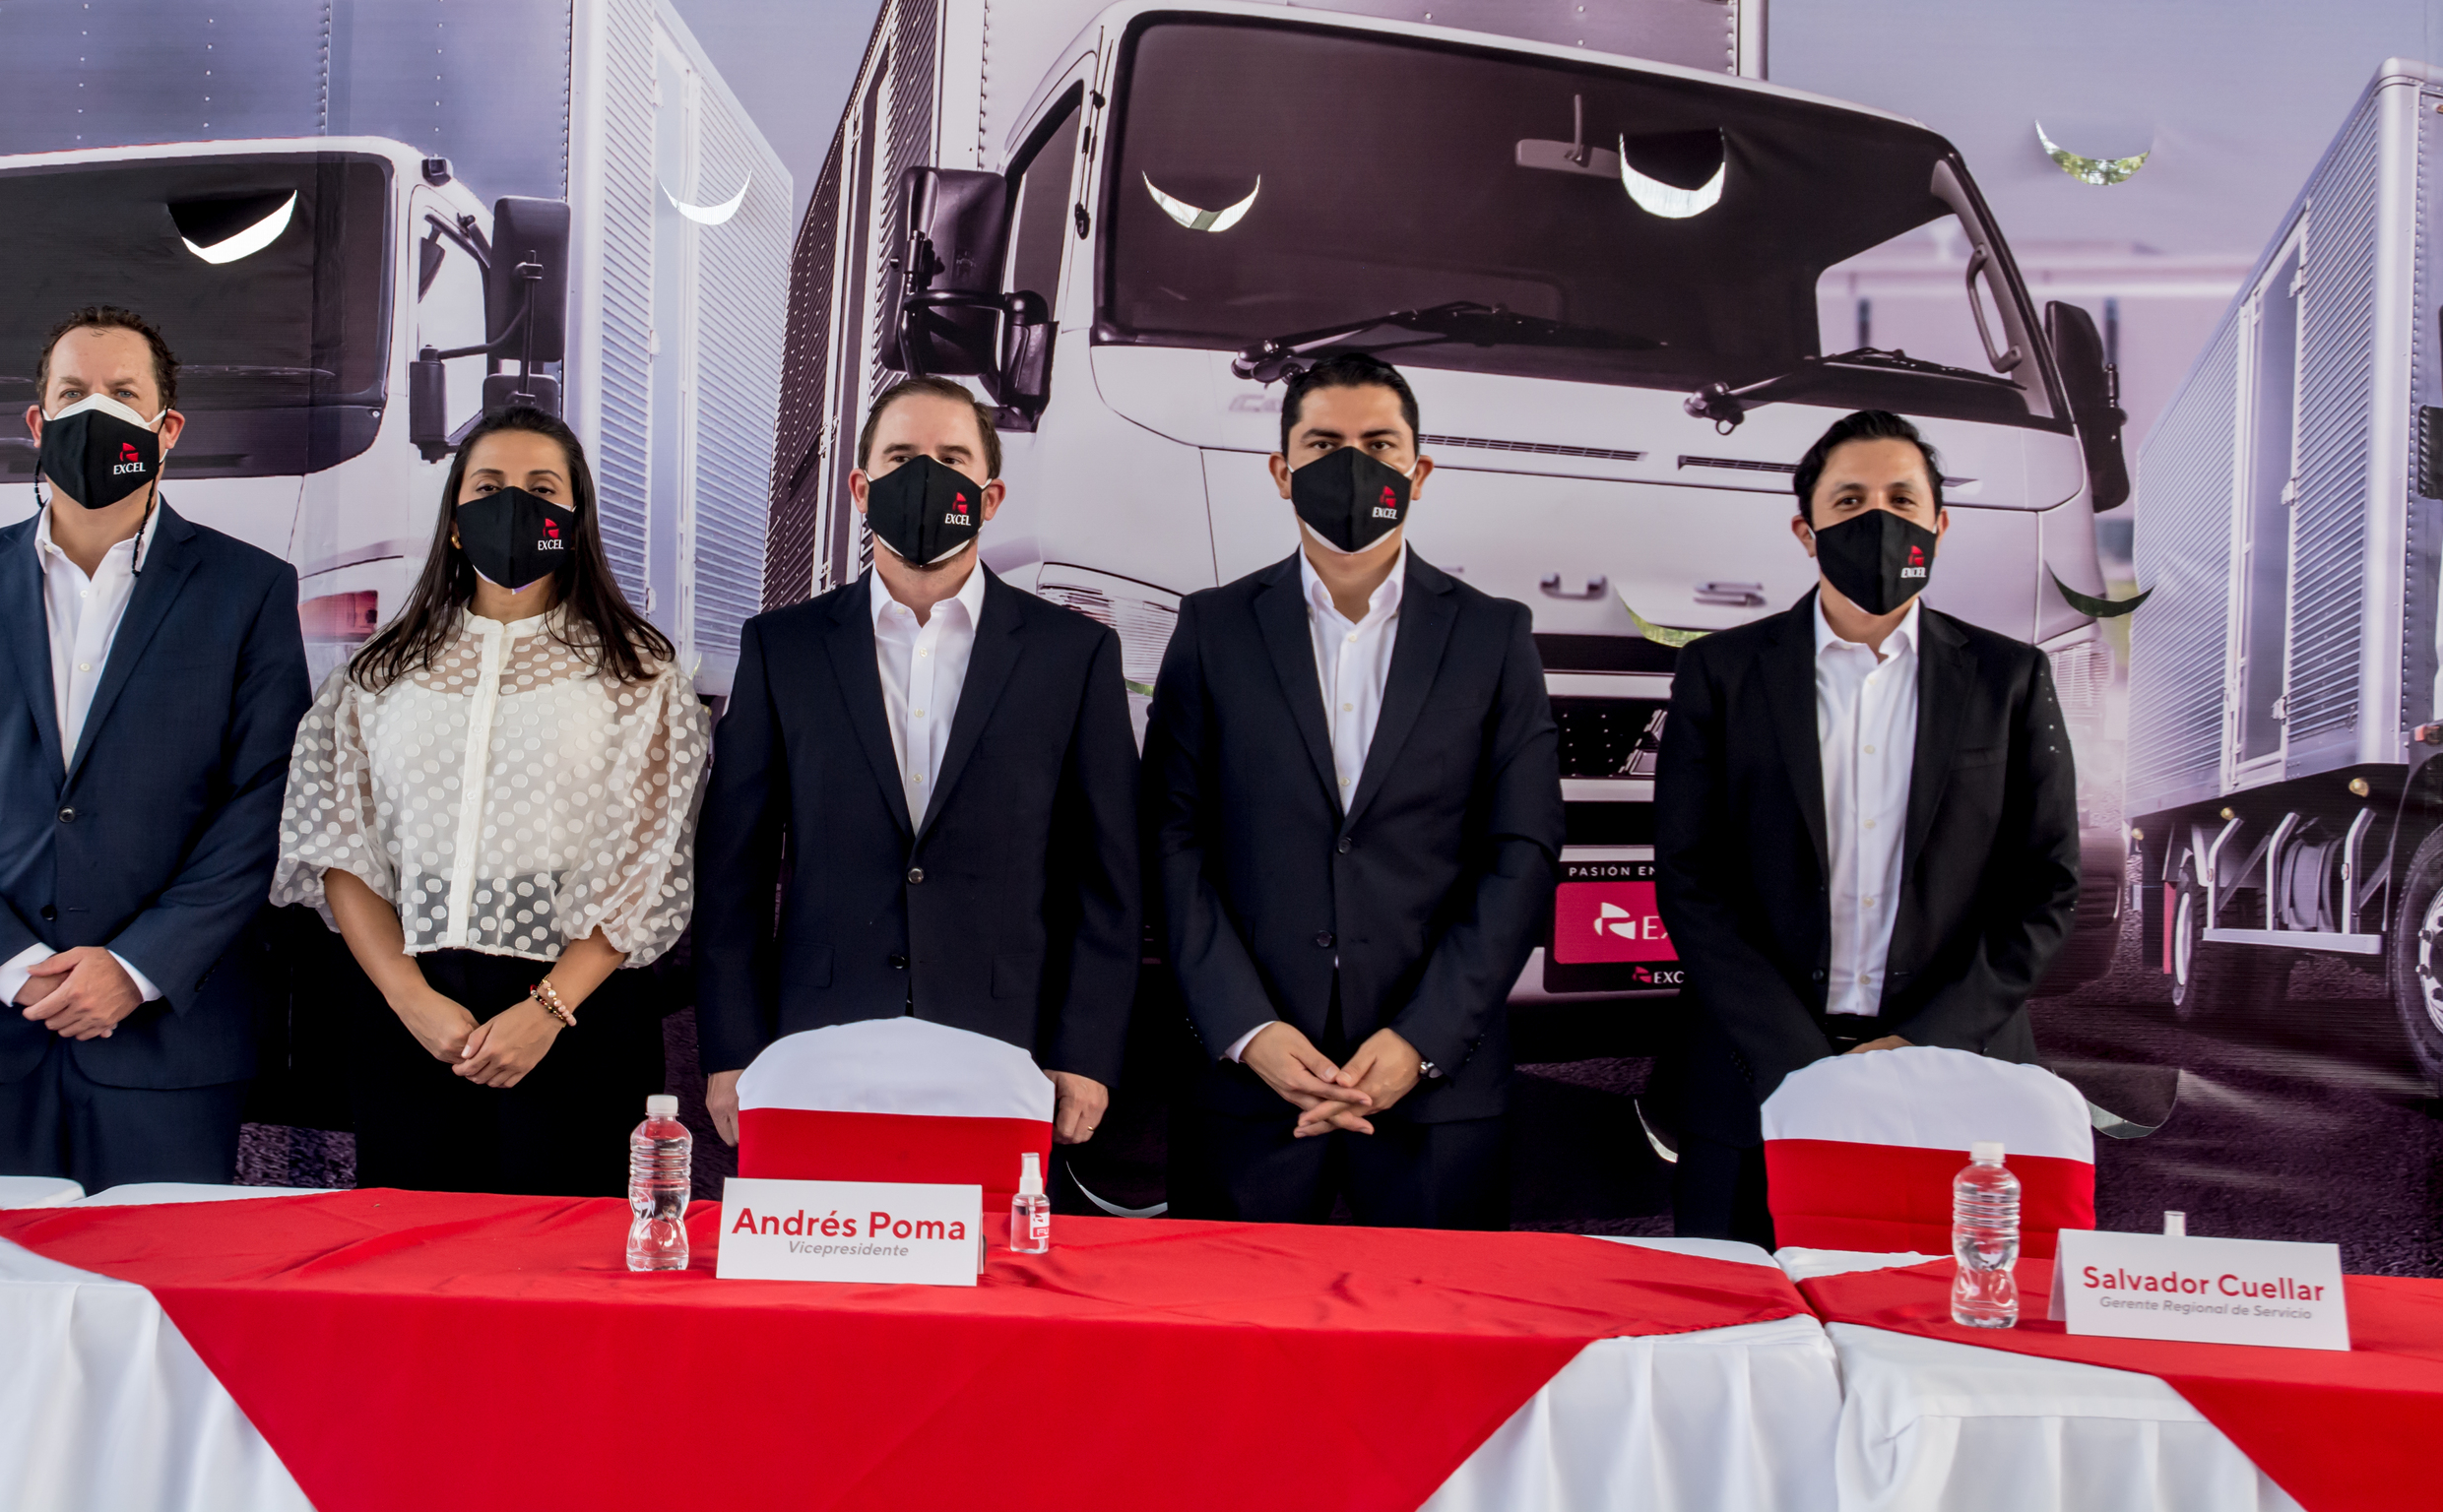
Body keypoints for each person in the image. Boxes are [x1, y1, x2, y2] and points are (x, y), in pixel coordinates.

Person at [0, 305, 312, 1190]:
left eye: (122, 393)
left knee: (160, 1304)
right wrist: (12, 966)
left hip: (166, 1041)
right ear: (38, 423)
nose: (94, 411)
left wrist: (136, 968)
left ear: (166, 427)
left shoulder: (249, 589)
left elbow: (266, 801)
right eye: (73, 393)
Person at [1143, 351, 1561, 1228]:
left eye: (1379, 443)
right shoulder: (1213, 629)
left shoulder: (1494, 635)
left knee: (1439, 1355)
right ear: (1281, 471)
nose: (1354, 464)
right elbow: (1171, 843)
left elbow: (1521, 854)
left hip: (1435, 1093)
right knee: (1231, 1353)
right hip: (1246, 1089)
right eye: (1325, 444)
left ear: (1420, 470)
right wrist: (1248, 1030)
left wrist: (1422, 1041)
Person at [1652, 408, 2082, 1244]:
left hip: (1959, 1085)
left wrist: (1921, 1047)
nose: (1876, 521)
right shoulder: (1722, 673)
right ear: (1806, 531)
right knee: (1738, 1337)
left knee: (1934, 1348)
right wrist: (1804, 1067)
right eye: (1848, 502)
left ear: (1939, 525)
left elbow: (2045, 885)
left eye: (1901, 499)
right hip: (1750, 1081)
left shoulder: (2010, 679)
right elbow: (1692, 881)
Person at [695, 377, 1140, 1151]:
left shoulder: (1074, 656)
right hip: (814, 1049)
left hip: (1010, 1052)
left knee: (993, 1270)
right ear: (861, 489)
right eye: (902, 457)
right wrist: (732, 1049)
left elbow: (1106, 879)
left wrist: (1085, 1049)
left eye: (951, 457)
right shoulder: (783, 649)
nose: (925, 476)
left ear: (991, 495)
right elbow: (734, 868)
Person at [271, 407, 707, 1195]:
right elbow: (343, 848)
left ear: (574, 521)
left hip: (578, 1014)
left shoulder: (640, 678)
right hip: (410, 1009)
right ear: (456, 524)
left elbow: (644, 864)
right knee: (411, 1263)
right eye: (491, 485)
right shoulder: (377, 676)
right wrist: (409, 998)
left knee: (565, 1272)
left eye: (544, 488)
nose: (517, 504)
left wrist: (547, 1011)